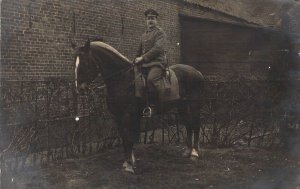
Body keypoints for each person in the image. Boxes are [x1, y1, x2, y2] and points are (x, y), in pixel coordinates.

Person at [135, 8, 167, 115]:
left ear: (156, 20)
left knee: (151, 80)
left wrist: (143, 58)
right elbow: (139, 51)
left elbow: (158, 49)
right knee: (134, 80)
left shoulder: (160, 33)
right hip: (145, 64)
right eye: (148, 19)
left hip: (157, 63)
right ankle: (141, 104)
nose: (150, 21)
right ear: (146, 20)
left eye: (152, 18)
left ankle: (154, 106)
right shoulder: (144, 35)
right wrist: (134, 60)